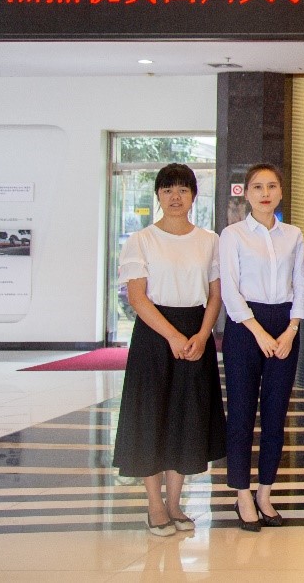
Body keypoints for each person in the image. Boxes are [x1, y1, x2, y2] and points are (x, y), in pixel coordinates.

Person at [113, 163, 225, 536]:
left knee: (186, 417)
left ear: (194, 196)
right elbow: (137, 297)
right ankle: (155, 504)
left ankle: (176, 504)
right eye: (167, 190)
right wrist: (173, 337)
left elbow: (215, 294)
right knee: (151, 416)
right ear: (158, 196)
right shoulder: (142, 239)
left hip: (196, 333)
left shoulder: (209, 240)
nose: (175, 197)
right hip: (154, 335)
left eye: (183, 190)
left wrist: (203, 334)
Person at [218, 163, 304, 532]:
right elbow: (230, 290)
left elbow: (301, 285)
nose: (265, 193)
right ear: (246, 193)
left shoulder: (293, 234)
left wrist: (291, 329)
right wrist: (258, 332)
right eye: (258, 187)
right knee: (241, 412)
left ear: (281, 192)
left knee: (275, 414)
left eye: (272, 186)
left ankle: (265, 492)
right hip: (245, 328)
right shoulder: (233, 235)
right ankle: (242, 494)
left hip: (284, 326)